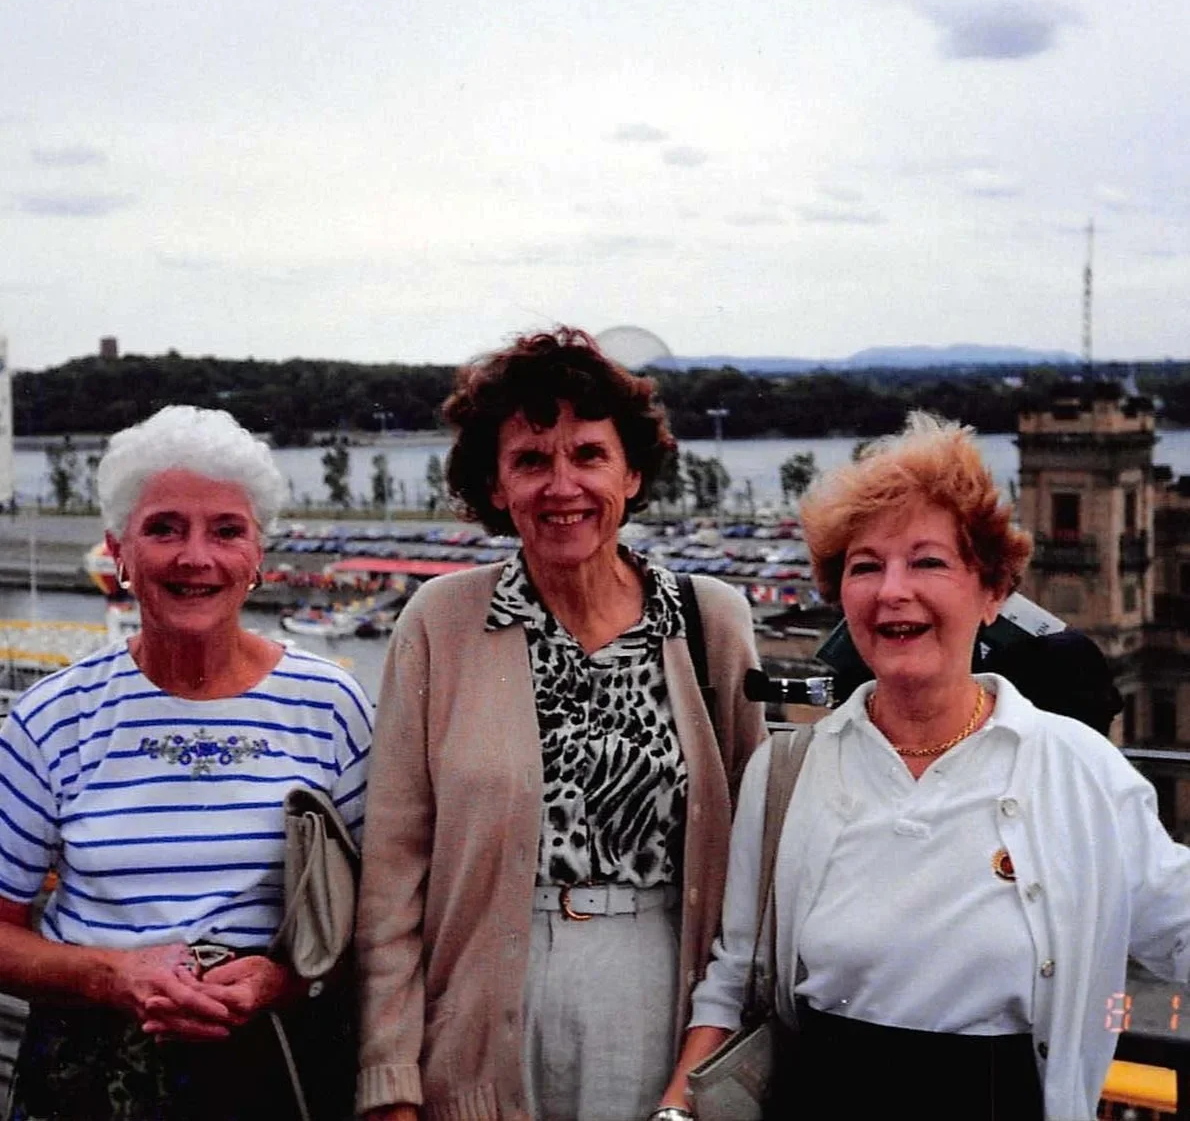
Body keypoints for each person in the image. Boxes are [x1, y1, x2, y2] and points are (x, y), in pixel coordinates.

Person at [659, 411, 1190, 1121]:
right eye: (865, 566)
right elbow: (733, 978)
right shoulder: (786, 770)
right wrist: (674, 1111)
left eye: (928, 561)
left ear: (993, 591)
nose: (892, 590)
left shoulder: (1078, 769)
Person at [355, 327, 765, 1121]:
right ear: (496, 486)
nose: (562, 484)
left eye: (588, 454)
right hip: (482, 1005)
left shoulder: (710, 620)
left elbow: (754, 858)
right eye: (531, 460)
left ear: (634, 472)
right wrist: (389, 1082)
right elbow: (393, 877)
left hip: (662, 993)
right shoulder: (441, 622)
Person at [0, 406, 373, 1121]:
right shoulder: (52, 717)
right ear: (120, 554)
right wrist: (113, 977)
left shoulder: (329, 704)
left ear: (259, 556)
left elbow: (380, 912)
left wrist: (282, 979)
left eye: (226, 530)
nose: (195, 557)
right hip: (91, 1080)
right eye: (164, 528)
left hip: (274, 1067)